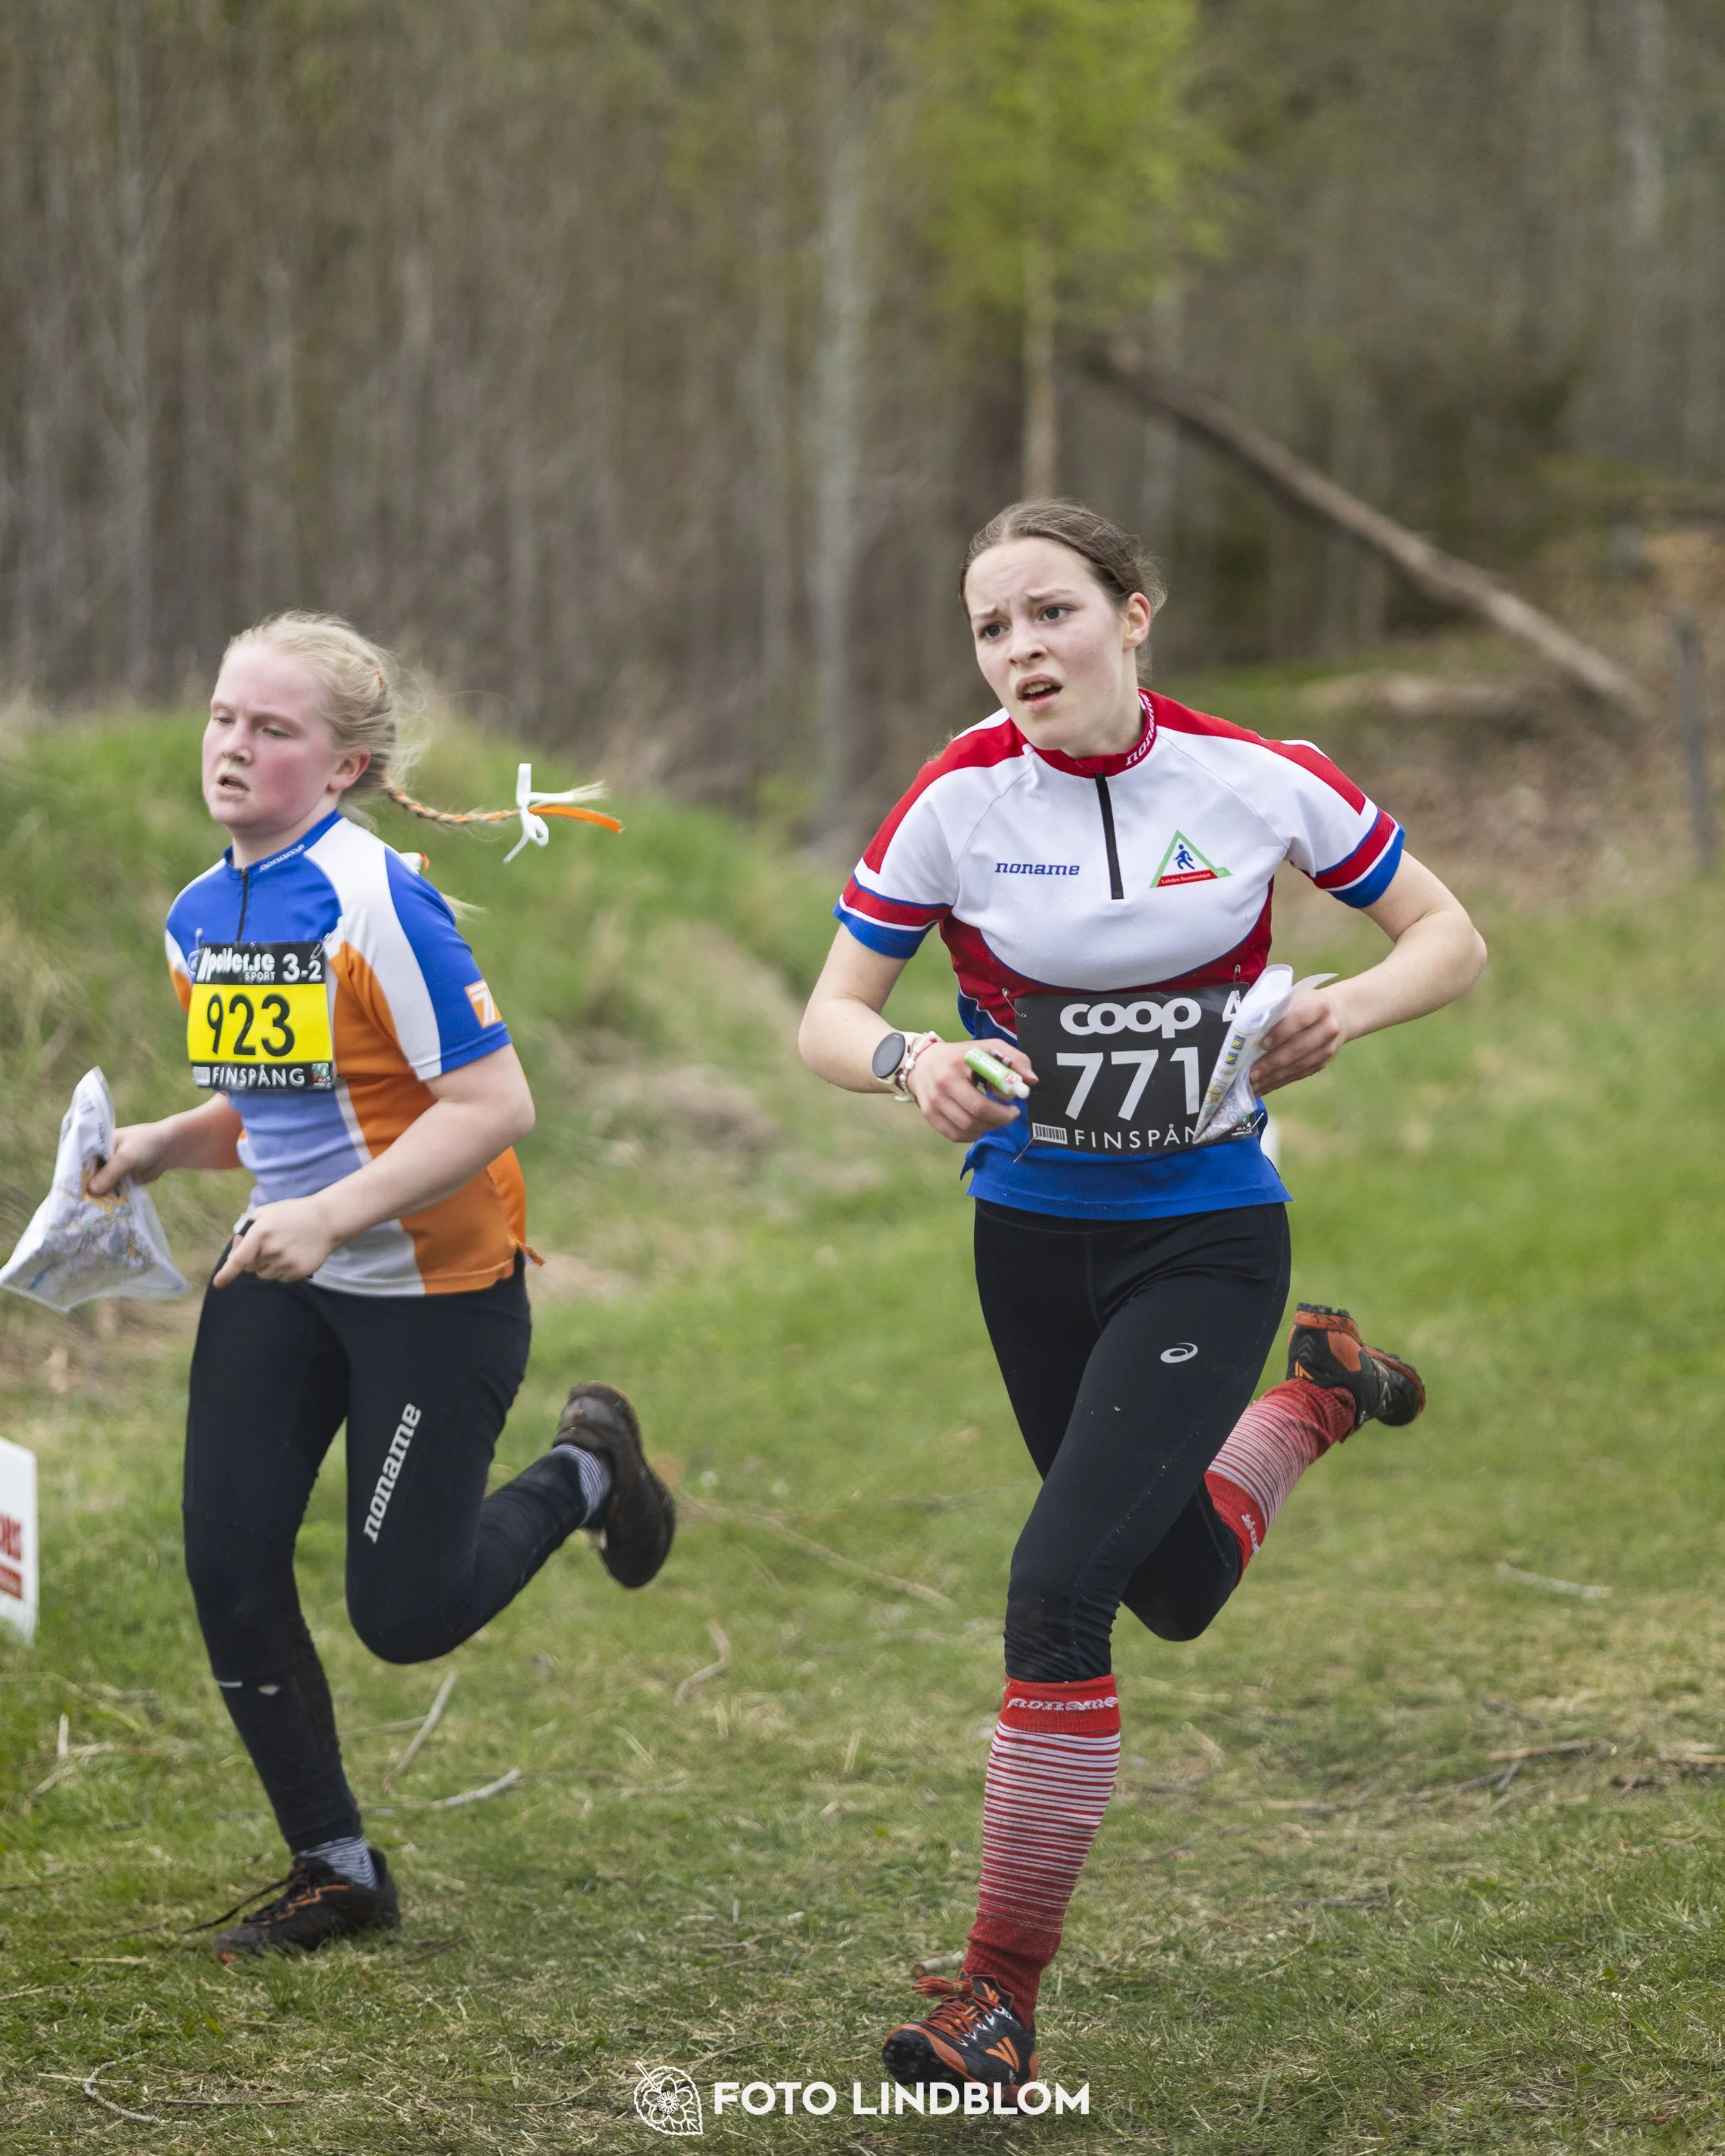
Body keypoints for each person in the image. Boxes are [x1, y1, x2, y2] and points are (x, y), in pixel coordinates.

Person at [798, 500, 1486, 2098]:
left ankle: (994, 1996)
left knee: (1056, 1587)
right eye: (989, 628)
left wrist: (1347, 1007)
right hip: (1029, 1240)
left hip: (1206, 1230)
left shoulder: (1254, 776)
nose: (1020, 651)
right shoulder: (954, 799)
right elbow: (830, 1013)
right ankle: (1312, 1396)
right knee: (1167, 1582)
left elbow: (1448, 934)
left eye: (1050, 613)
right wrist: (912, 1061)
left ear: (1132, 614)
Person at [88, 612, 675, 1959]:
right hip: (282, 1274)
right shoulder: (198, 911)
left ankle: (587, 1469)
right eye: (224, 717)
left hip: (434, 1286)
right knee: (228, 1567)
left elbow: (491, 1101)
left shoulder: (376, 899)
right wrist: (162, 1145)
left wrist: (334, 1213)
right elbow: (278, 1095)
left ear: (343, 765)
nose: (234, 747)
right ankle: (334, 1865)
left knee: (402, 1613)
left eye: (272, 728)